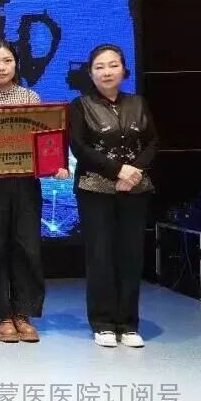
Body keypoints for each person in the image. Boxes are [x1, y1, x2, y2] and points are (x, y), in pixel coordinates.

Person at [0, 39, 70, 343]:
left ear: (16, 63)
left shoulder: (30, 97)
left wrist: (55, 164)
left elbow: (45, 140)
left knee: (27, 248)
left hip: (25, 185)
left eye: (6, 61)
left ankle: (24, 312)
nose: (1, 67)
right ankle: (2, 315)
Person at [69, 44, 157, 348]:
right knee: (100, 255)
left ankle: (129, 324)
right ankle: (103, 322)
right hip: (95, 189)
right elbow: (79, 147)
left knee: (131, 256)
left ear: (123, 69)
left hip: (135, 189)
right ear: (91, 73)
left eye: (113, 65)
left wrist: (134, 171)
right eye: (100, 67)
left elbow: (152, 142)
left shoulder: (138, 102)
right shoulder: (80, 105)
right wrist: (117, 170)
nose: (107, 72)